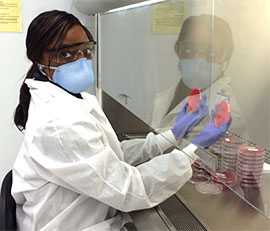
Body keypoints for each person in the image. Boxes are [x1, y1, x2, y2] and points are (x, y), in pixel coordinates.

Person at [11, 10, 230, 231]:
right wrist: (195, 148)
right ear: (38, 58)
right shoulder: (59, 122)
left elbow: (111, 154)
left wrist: (172, 134)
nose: (81, 60)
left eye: (86, 50)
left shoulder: (74, 99)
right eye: (66, 54)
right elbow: (128, 189)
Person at [151, 15, 246, 141]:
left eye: (211, 53)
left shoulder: (227, 113)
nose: (198, 59)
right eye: (189, 49)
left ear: (226, 56)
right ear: (178, 49)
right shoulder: (165, 97)